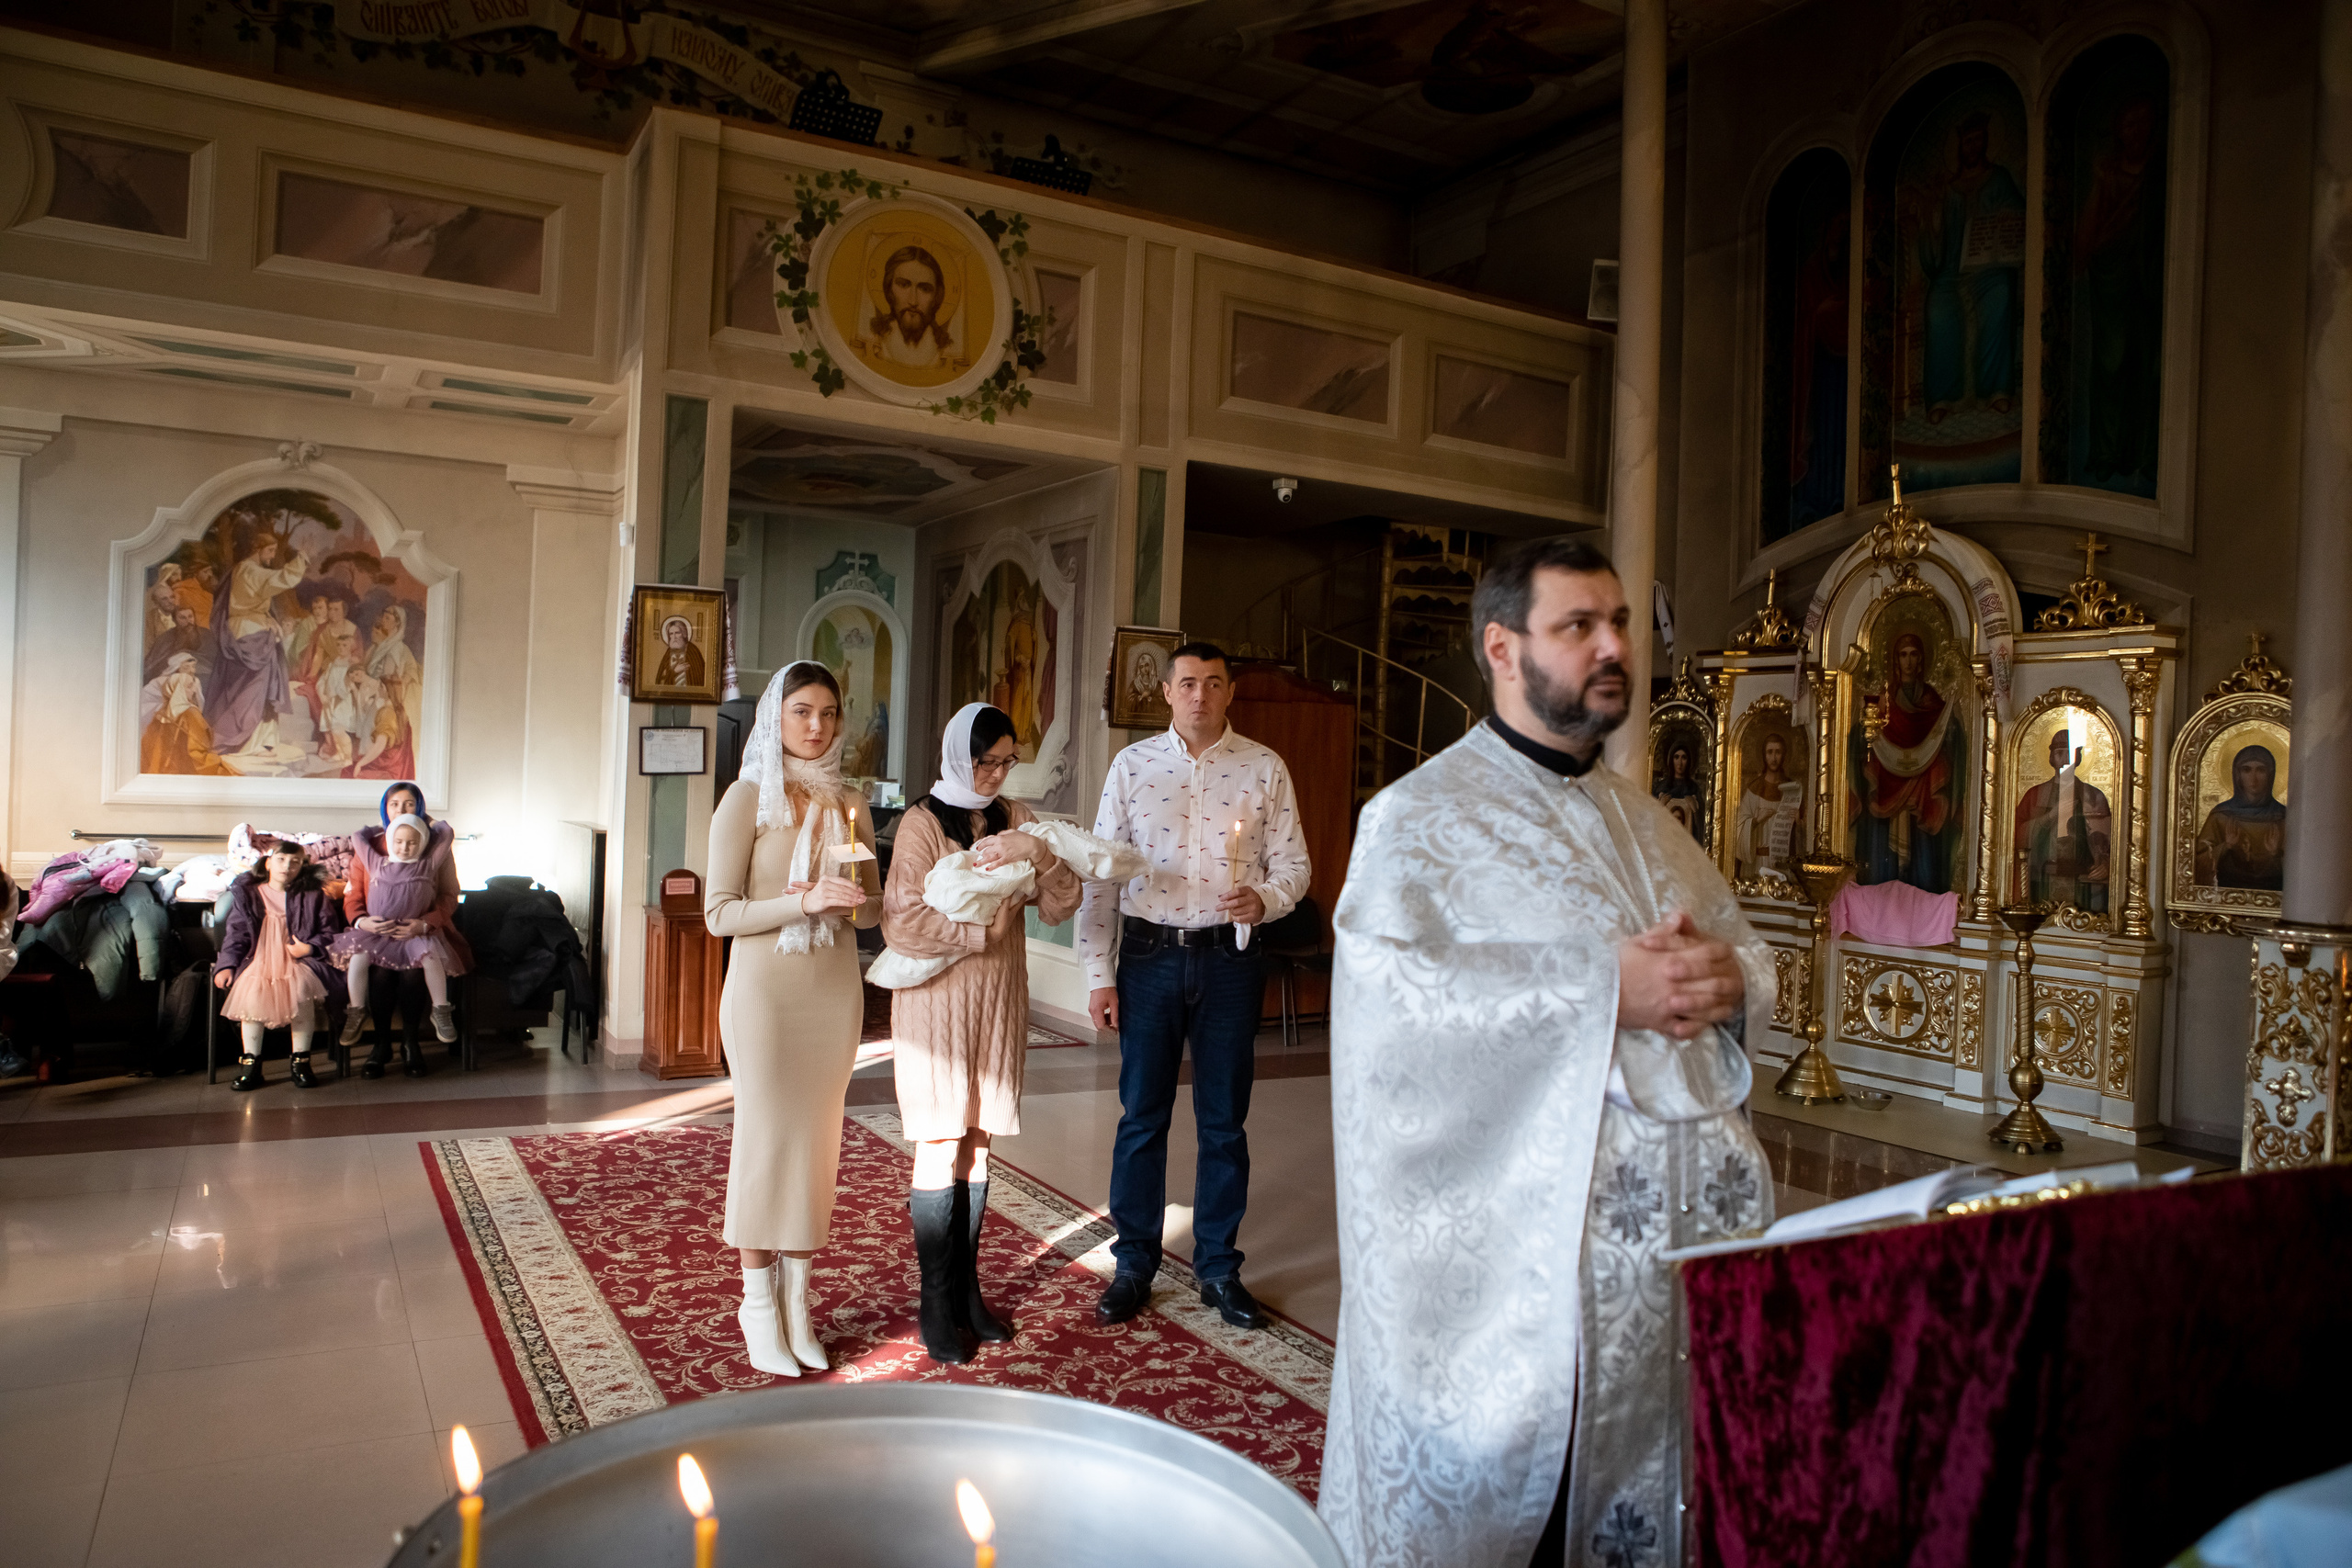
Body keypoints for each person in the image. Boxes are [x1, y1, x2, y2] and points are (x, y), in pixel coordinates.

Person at [1320, 536, 1773, 1568]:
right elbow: (1394, 1008)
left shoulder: (1649, 822)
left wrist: (1732, 980)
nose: (1613, 646)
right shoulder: (1417, 820)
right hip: (1528, 1299)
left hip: (1675, 1277)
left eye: (1619, 623)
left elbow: (1738, 949)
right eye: (1578, 626)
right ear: (1502, 647)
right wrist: (1602, 989)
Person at [1076, 642, 1311, 1332]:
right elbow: (1100, 874)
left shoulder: (1264, 767)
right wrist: (1098, 973)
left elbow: (1295, 866)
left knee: (1224, 1121)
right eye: (1187, 683)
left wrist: (1266, 898)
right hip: (1148, 956)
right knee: (1141, 1115)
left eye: (1212, 683)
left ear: (1230, 691)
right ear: (1168, 692)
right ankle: (1133, 1263)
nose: (1199, 695)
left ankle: (1218, 1268)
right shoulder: (1133, 765)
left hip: (1229, 962)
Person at [883, 703, 1082, 1362]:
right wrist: (980, 933)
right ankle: (935, 1299)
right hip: (936, 1003)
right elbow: (901, 921)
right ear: (956, 757)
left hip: (997, 998)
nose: (995, 774)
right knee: (940, 1139)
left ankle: (968, 1289)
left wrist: (1040, 852)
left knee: (978, 1141)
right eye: (984, 761)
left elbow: (1063, 902)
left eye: (1005, 761)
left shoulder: (1016, 817)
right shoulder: (921, 823)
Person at [705, 661, 877, 1377]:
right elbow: (719, 913)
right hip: (765, 995)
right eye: (802, 711)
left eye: (829, 713)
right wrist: (800, 901)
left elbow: (868, 908)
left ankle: (798, 1302)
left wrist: (853, 895)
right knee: (767, 1141)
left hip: (833, 991)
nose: (817, 725)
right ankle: (756, 1303)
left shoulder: (850, 801)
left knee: (816, 1145)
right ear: (775, 717)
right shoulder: (748, 798)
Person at [334, 783, 472, 1064]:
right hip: (377, 934)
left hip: (420, 932)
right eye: (394, 804)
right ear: (385, 809)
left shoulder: (433, 848)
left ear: (420, 808)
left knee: (413, 974)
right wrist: (362, 921)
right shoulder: (371, 849)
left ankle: (411, 1043)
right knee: (380, 975)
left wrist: (425, 924)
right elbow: (352, 895)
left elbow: (450, 895)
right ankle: (381, 1044)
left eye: (409, 804)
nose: (401, 810)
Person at [214, 840, 345, 1092]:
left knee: (301, 994)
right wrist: (226, 964)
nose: (287, 866)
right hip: (258, 959)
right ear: (268, 863)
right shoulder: (250, 894)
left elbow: (330, 932)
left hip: (298, 960)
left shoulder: (312, 895)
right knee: (251, 998)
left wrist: (309, 948)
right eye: (281, 860)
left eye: (295, 862)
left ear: (302, 867)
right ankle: (251, 1064)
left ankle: (301, 1062)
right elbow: (236, 934)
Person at [1850, 630, 1965, 891]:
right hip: (1886, 785)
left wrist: (1952, 727)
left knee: (1922, 852)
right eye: (1903, 655)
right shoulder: (1883, 701)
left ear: (1922, 659)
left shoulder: (1932, 700)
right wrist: (1862, 729)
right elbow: (1861, 739)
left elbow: (1948, 735)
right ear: (1895, 660)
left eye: (1914, 655)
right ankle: (1880, 895)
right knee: (1882, 853)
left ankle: (1925, 897)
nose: (1908, 661)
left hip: (1923, 789)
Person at [2014, 729, 2112, 909]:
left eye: (2071, 753)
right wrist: (2050, 817)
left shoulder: (2094, 796)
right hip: (2043, 880)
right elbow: (2015, 835)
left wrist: (2107, 865)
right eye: (2060, 753)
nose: (2066, 759)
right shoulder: (2034, 795)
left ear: (2079, 758)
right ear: (2051, 758)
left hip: (2084, 881)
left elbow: (2111, 842)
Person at [2195, 744, 2288, 890]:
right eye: (2246, 770)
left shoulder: (2284, 817)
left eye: (2261, 770)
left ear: (2271, 775)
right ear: (2237, 774)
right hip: (2225, 894)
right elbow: (2197, 862)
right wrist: (2226, 847)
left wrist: (2276, 854)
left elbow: (2306, 865)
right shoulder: (2220, 816)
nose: (2253, 778)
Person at [1735, 731, 1802, 877]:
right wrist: (1756, 820)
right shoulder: (1753, 790)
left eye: (1778, 752)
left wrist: (1798, 822)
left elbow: (1801, 839)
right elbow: (1738, 827)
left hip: (1780, 863)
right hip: (1756, 864)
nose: (1774, 758)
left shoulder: (1792, 790)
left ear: (1784, 755)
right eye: (1770, 752)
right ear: (1764, 756)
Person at [655, 615, 707, 690]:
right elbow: (660, 681)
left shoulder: (693, 651)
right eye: (671, 634)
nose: (674, 637)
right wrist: (674, 672)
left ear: (684, 634)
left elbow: (700, 677)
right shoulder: (668, 654)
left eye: (677, 633)